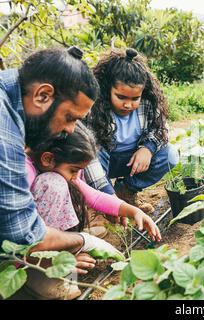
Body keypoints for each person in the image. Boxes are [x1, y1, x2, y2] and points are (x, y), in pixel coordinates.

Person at [0, 47, 122, 299]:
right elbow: (24, 236)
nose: (69, 130)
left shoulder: (10, 92)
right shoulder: (4, 134)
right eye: (69, 117)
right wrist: (82, 241)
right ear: (43, 95)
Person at [27, 122, 162, 241]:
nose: (76, 176)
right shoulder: (25, 173)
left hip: (40, 237)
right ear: (48, 159)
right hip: (25, 248)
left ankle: (62, 244)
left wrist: (134, 212)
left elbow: (95, 197)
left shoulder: (57, 168)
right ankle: (55, 250)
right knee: (54, 183)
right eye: (73, 170)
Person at [84, 48, 178, 211]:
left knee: (169, 155)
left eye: (135, 98)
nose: (128, 104)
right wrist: (108, 197)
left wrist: (148, 149)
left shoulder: (149, 103)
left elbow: (161, 130)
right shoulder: (96, 106)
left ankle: (126, 192)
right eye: (121, 97)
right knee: (89, 155)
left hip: (132, 161)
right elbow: (90, 155)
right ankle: (99, 205)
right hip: (103, 162)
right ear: (108, 89)